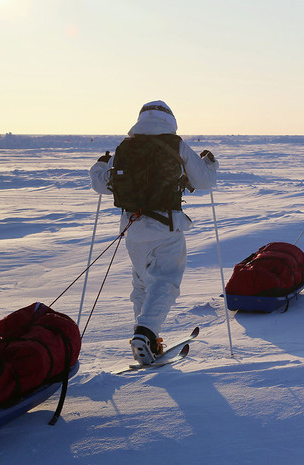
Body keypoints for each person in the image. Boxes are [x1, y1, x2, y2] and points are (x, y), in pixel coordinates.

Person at [89, 100, 218, 365]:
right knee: (165, 281)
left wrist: (100, 165)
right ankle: (146, 333)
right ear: (170, 120)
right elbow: (204, 182)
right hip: (166, 225)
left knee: (143, 283)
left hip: (132, 227)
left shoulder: (125, 148)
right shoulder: (176, 145)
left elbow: (101, 185)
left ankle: (148, 339)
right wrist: (210, 164)